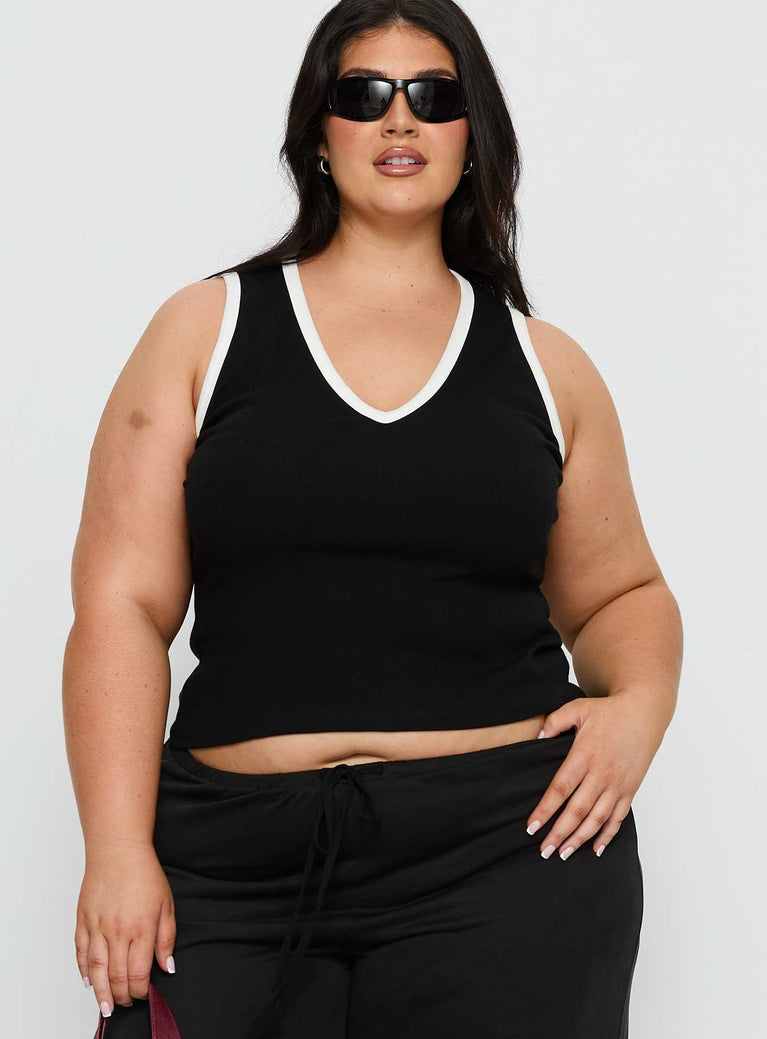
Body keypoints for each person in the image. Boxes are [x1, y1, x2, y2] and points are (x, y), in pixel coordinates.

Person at [64, 2, 682, 1037]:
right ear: (318, 132)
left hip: (503, 853)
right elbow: (121, 604)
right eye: (364, 95)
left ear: (472, 137)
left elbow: (621, 591)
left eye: (433, 97)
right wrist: (118, 850)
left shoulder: (546, 365)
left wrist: (639, 706)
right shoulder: (205, 330)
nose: (400, 119)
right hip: (234, 861)